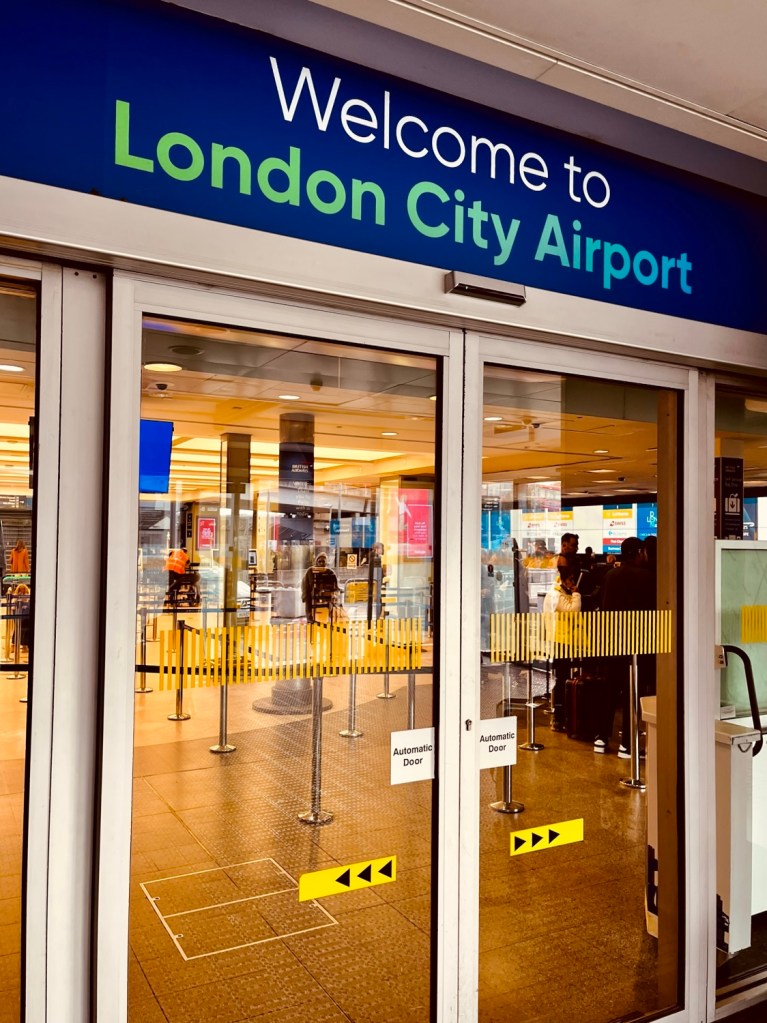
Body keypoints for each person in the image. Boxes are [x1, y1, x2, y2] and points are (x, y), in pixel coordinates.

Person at [594, 536, 655, 756]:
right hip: (637, 644)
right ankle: (627, 744)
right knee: (633, 692)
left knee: (609, 689)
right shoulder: (648, 578)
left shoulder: (610, 576)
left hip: (612, 643)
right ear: (639, 553)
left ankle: (601, 738)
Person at [543, 565, 582, 731]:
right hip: (561, 640)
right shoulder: (557, 595)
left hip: (560, 639)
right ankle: (559, 718)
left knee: (562, 678)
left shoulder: (557, 593)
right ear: (563, 579)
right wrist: (576, 593)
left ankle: (561, 717)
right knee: (561, 679)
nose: (572, 582)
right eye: (570, 579)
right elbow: (573, 611)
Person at [301, 552, 340, 623]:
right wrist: (305, 596)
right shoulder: (310, 571)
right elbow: (305, 585)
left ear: (326, 563)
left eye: (323, 562)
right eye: (320, 561)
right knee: (308, 597)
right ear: (316, 562)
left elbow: (335, 586)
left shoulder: (330, 572)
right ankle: (310, 618)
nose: (321, 563)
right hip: (313, 597)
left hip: (326, 598)